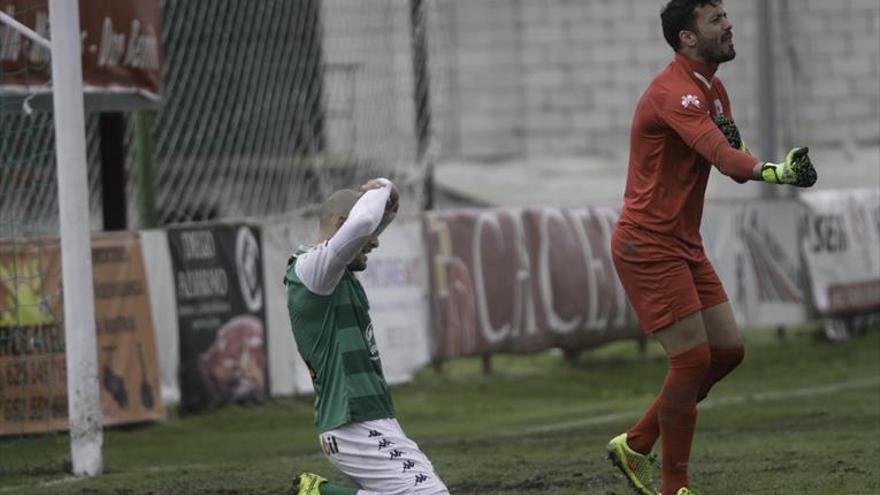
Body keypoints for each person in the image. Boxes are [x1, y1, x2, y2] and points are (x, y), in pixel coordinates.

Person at [605, 2, 817, 495]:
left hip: (682, 242)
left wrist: (747, 157)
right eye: (715, 19)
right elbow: (722, 154)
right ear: (688, 39)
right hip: (648, 243)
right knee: (692, 359)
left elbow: (726, 149)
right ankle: (673, 486)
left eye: (726, 15)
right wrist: (776, 172)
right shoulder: (673, 93)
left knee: (726, 350)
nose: (728, 24)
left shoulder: (712, 89)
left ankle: (636, 444)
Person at [285, 178, 449, 495]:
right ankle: (318, 493)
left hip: (370, 420)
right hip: (353, 424)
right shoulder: (312, 271)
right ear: (342, 225)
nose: (376, 242)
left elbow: (362, 228)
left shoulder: (331, 271)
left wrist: (389, 205)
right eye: (373, 234)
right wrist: (383, 187)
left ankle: (318, 492)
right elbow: (361, 224)